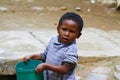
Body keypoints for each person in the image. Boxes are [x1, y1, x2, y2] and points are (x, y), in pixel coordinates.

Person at [23, 12, 84, 80]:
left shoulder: (71, 50)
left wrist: (46, 66)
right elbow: (45, 55)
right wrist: (32, 56)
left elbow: (65, 69)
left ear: (78, 35)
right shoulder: (53, 40)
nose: (67, 34)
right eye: (64, 29)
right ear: (58, 29)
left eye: (72, 32)